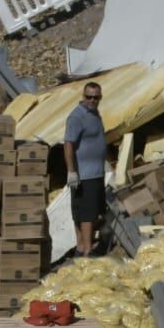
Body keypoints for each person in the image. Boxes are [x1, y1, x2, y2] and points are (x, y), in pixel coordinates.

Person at [63, 81, 107, 257]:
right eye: (89, 97)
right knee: (86, 213)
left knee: (91, 211)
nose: (92, 100)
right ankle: (87, 249)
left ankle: (82, 246)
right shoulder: (77, 117)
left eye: (96, 98)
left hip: (96, 172)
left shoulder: (95, 113)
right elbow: (68, 144)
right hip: (84, 174)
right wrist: (72, 171)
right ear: (83, 96)